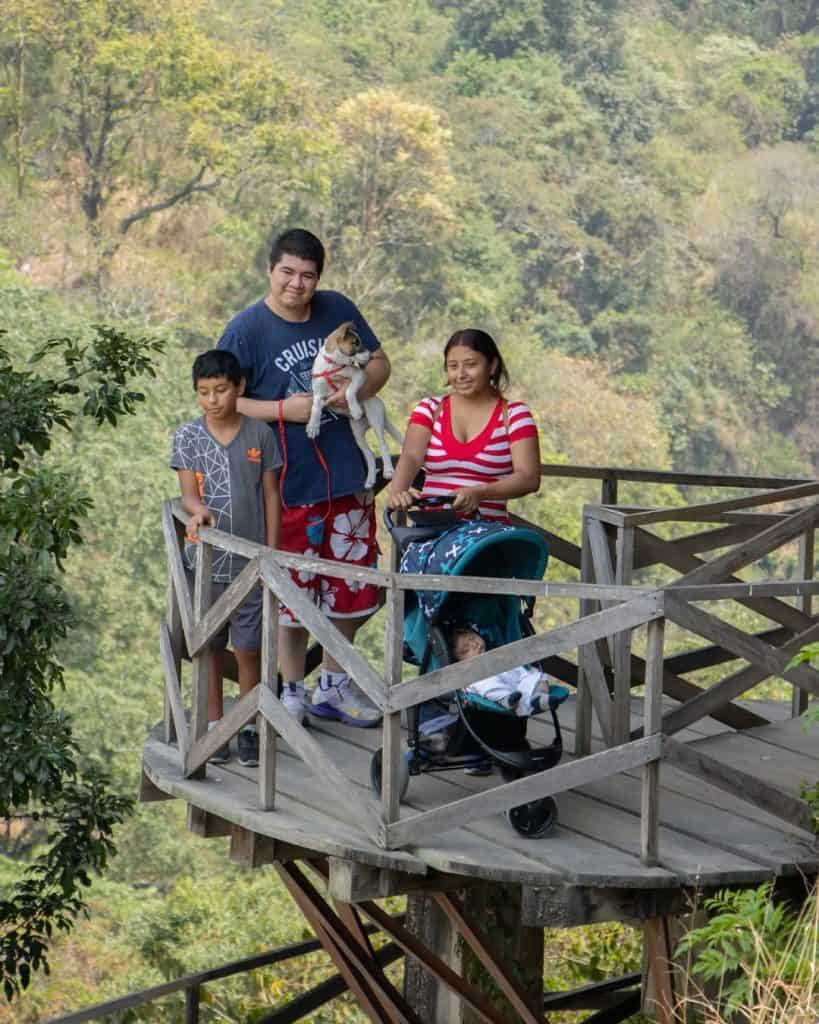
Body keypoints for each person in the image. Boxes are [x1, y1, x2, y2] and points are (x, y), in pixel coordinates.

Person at [218, 228, 390, 727]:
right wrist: (282, 410)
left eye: (308, 275)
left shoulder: (338, 309)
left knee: (353, 588)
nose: (297, 284)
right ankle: (292, 688)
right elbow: (222, 400)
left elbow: (379, 363)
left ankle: (334, 684)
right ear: (270, 271)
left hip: (349, 475)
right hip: (287, 485)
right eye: (288, 273)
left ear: (319, 278)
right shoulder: (246, 330)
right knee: (294, 592)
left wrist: (356, 391)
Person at [171, 349, 281, 767]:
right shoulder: (188, 437)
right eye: (204, 392)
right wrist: (196, 510)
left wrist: (270, 552)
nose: (213, 399)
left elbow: (271, 494)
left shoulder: (259, 436)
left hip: (250, 561)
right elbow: (187, 494)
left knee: (250, 647)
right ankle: (217, 723)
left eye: (220, 389)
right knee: (211, 646)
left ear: (240, 388)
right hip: (205, 562)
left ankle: (249, 723)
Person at [388, 328, 541, 521]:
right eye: (453, 366)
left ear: (492, 366)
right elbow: (410, 456)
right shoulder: (430, 409)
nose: (461, 374)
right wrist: (398, 493)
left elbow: (529, 478)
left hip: (488, 538)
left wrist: (479, 493)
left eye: (470, 365)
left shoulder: (514, 415)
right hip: (432, 538)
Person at [450, 625, 551, 716]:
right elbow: (461, 685)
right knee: (484, 684)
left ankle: (540, 697)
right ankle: (506, 700)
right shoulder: (467, 671)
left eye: (473, 637)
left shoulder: (493, 652)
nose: (474, 644)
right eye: (466, 649)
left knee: (538, 676)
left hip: (515, 679)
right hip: (494, 685)